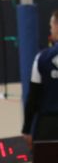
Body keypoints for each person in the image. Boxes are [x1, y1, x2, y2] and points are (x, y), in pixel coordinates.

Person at [23, 10, 58, 144]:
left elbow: (33, 96)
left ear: (56, 26)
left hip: (48, 126)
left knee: (47, 158)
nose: (50, 30)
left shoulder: (41, 57)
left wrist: (27, 129)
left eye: (51, 26)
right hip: (47, 124)